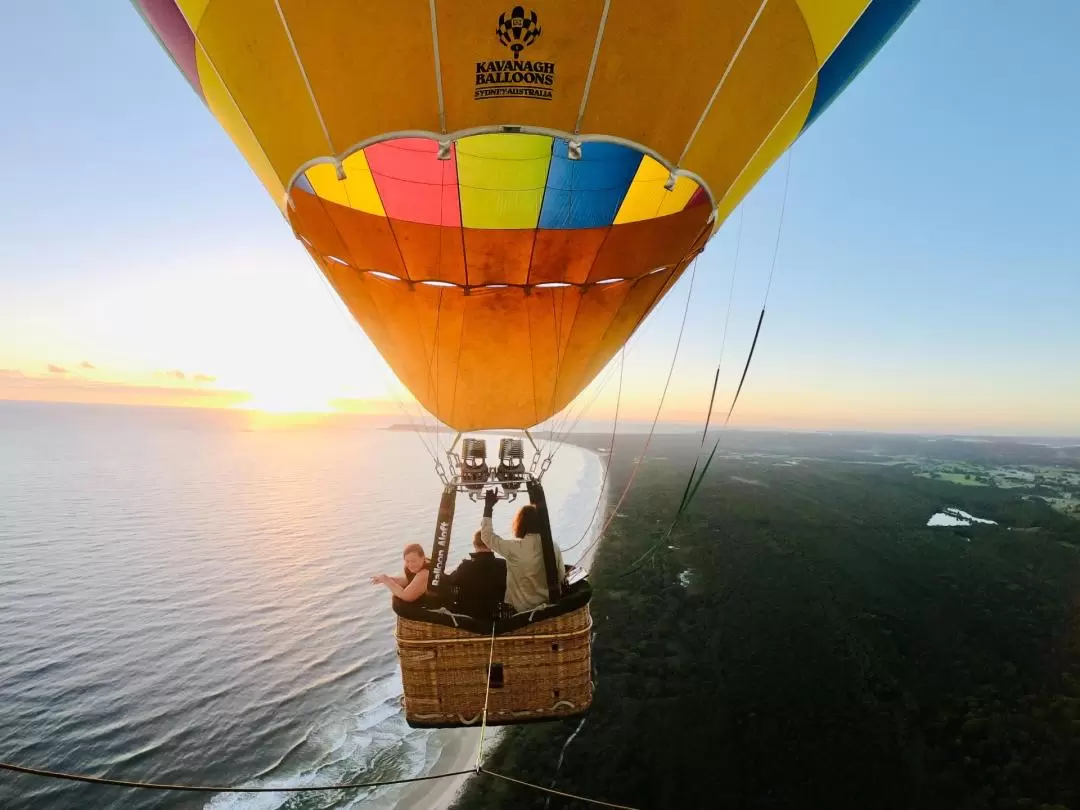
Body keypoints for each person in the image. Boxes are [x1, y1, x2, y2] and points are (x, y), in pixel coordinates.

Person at [480, 490, 565, 612]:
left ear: (521, 524)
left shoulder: (514, 548)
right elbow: (561, 577)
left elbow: (486, 537)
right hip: (548, 610)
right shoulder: (552, 546)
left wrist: (488, 507)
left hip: (520, 613)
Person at [444, 530, 508, 621]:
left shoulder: (466, 566)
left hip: (469, 619)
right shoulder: (503, 565)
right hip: (496, 616)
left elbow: (449, 580)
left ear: (474, 544)